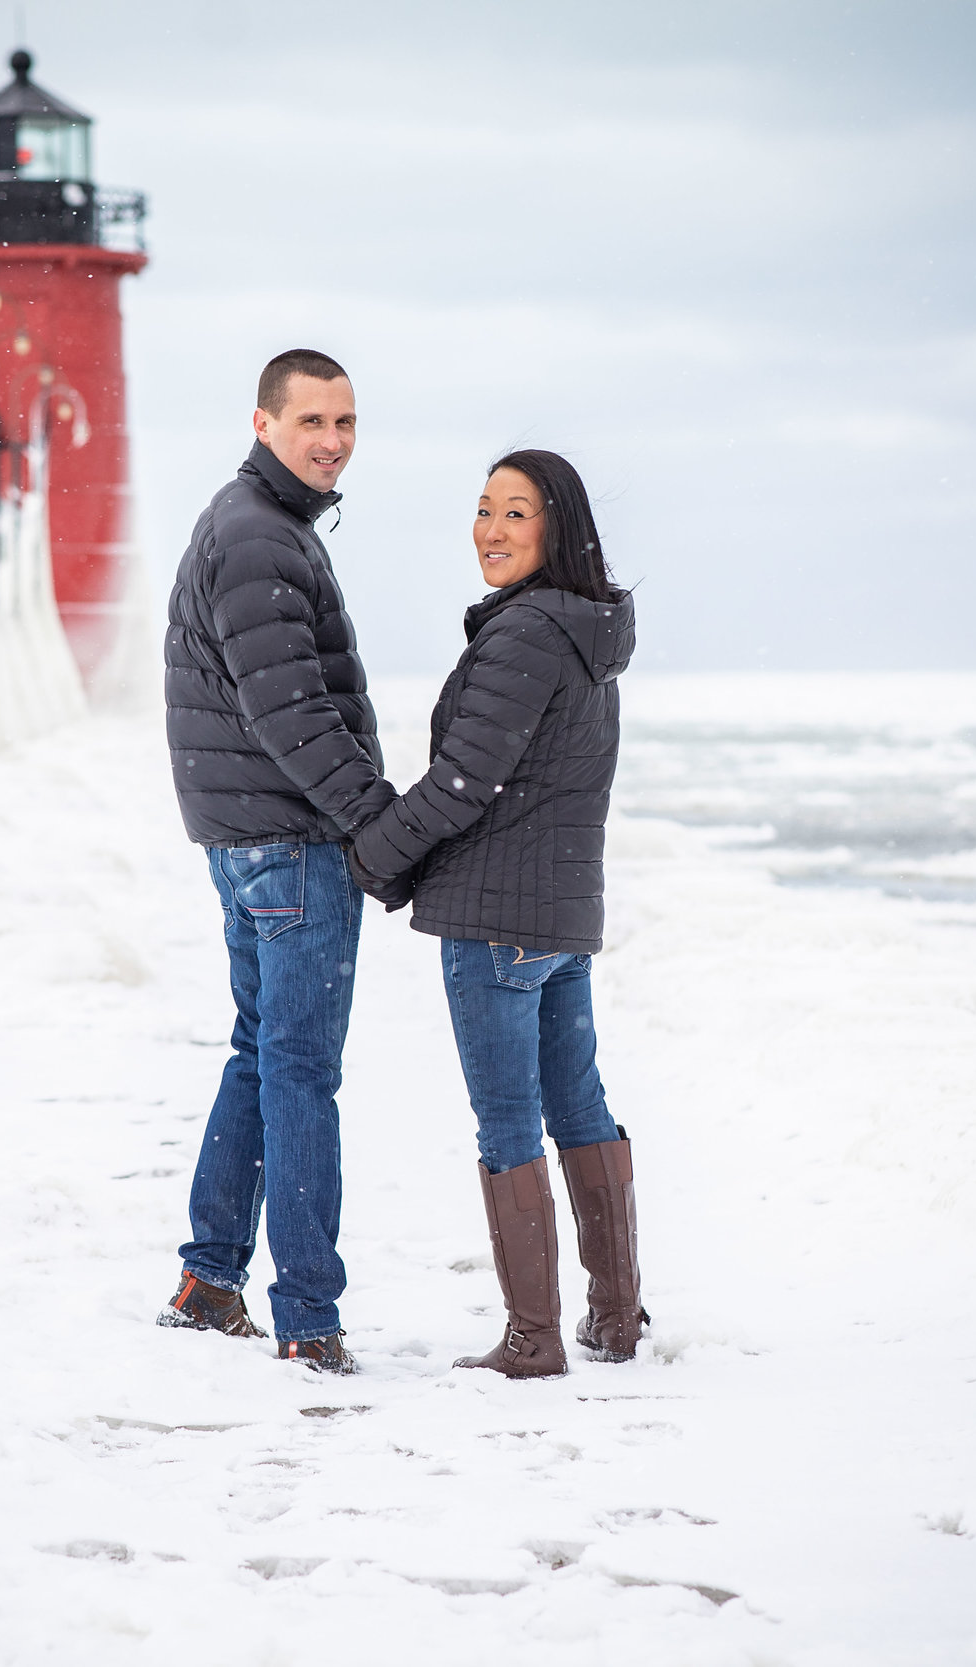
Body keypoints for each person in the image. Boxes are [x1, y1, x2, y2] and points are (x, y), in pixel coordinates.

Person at [351, 450, 643, 1380]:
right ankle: (615, 1316)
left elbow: (463, 784)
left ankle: (533, 1336)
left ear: (557, 529)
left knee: (509, 1123)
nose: (491, 529)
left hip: (496, 921)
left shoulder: (524, 635)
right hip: (560, 920)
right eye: (483, 509)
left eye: (516, 513)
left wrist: (374, 857)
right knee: (580, 1106)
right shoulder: (588, 636)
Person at [158, 349, 395, 1375]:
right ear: (264, 423)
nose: (332, 441)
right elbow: (292, 716)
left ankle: (211, 1281)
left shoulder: (254, 521)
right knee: (298, 1070)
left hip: (249, 837)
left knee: (262, 1052)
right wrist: (378, 828)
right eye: (312, 422)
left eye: (345, 421)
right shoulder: (260, 537)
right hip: (290, 844)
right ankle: (307, 1314)